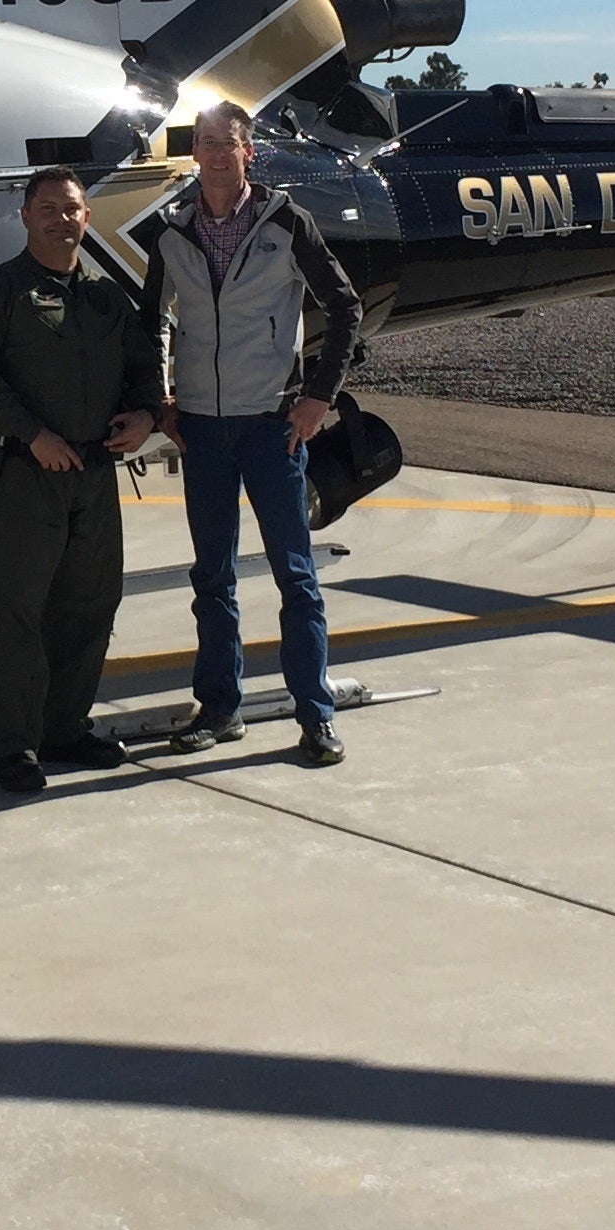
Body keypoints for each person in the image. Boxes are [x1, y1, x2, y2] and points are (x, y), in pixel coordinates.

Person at [142, 99, 364, 764]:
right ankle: (220, 709)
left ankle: (315, 716)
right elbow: (152, 320)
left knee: (296, 577)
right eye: (204, 142)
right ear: (196, 154)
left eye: (226, 143)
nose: (213, 154)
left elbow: (345, 306)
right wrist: (162, 403)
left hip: (273, 427)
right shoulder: (172, 231)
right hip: (202, 432)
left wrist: (318, 398)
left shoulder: (286, 223)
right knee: (211, 578)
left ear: (249, 153)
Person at [0, 166, 162, 796]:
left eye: (71, 209)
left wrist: (147, 415)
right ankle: (15, 745)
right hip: (29, 476)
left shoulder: (105, 298)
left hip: (95, 476)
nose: (60, 219)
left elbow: (144, 363)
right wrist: (31, 434)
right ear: (25, 216)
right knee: (17, 612)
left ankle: (64, 728)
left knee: (91, 604)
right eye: (47, 208)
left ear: (85, 218)